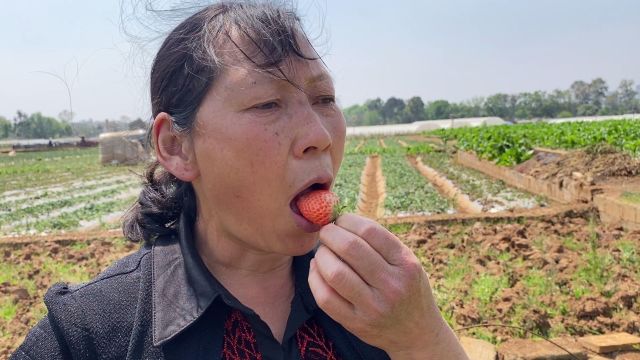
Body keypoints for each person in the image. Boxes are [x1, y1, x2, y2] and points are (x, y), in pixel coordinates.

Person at [12, 2, 469, 359]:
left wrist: (423, 339)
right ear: (176, 147)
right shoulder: (91, 333)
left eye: (325, 98)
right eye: (267, 104)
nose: (319, 135)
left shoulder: (378, 307)